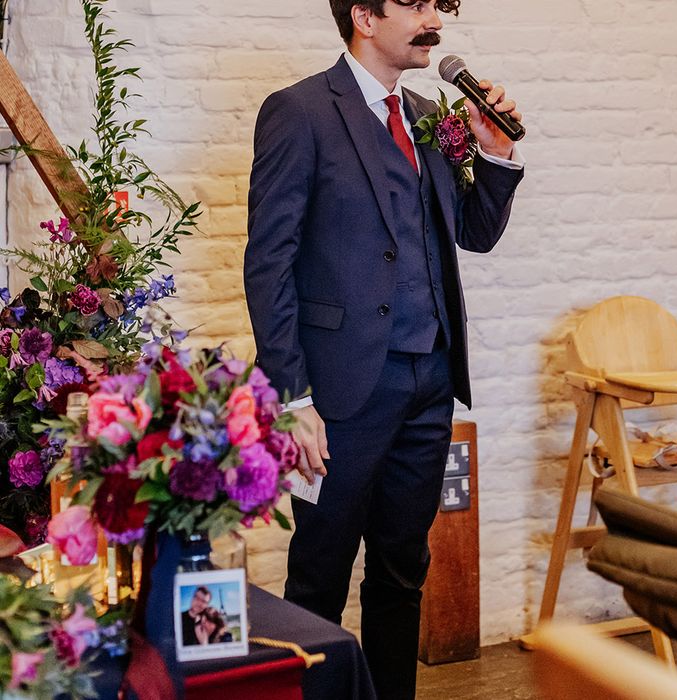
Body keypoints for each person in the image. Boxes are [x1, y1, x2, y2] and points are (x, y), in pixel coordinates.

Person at [245, 1, 524, 697]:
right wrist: (293, 397)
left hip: (428, 381)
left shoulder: (430, 114)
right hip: (339, 392)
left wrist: (494, 149)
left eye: (440, 6)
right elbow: (268, 264)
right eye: (417, 4)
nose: (434, 19)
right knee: (319, 576)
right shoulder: (300, 111)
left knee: (403, 571)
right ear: (364, 17)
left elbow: (475, 233)